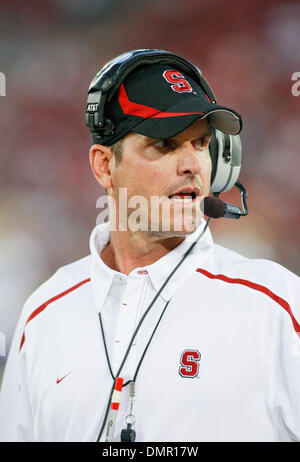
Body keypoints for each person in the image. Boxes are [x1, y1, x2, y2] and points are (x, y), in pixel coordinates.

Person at [0, 49, 299, 443]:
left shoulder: (277, 307)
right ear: (105, 166)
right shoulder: (43, 315)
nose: (193, 164)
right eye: (166, 145)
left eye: (201, 143)